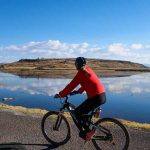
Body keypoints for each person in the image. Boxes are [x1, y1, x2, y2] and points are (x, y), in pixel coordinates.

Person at [54, 57, 106, 141]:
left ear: (77, 65)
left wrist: (61, 94)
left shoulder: (81, 73)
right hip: (102, 96)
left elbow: (71, 85)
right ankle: (88, 127)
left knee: (77, 113)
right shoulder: (88, 70)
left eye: (75, 64)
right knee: (83, 113)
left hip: (95, 97)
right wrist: (78, 91)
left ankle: (88, 133)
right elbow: (88, 83)